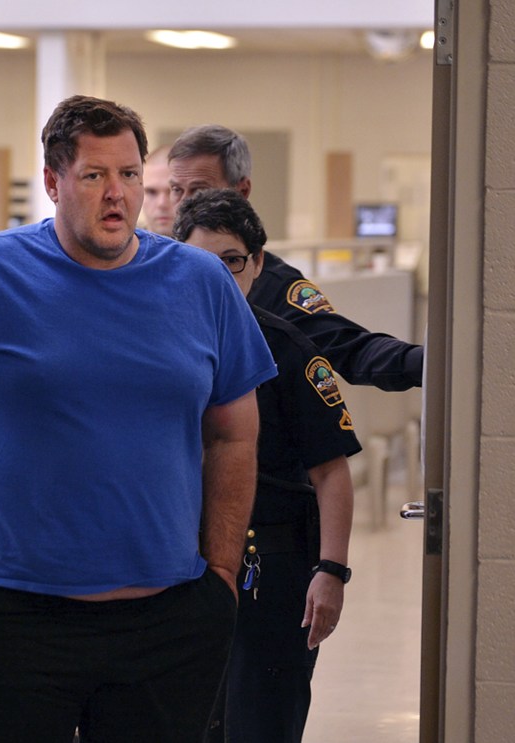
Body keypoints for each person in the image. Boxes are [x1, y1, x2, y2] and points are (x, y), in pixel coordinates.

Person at [0, 95, 277, 743]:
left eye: (129, 175)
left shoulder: (200, 282)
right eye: (93, 175)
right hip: (7, 618)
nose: (115, 195)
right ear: (52, 182)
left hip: (166, 621)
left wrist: (219, 576)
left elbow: (234, 433)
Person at [175, 189, 360, 743]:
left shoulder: (287, 349)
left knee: (260, 722)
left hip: (271, 568)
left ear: (257, 264)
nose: (218, 277)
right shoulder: (160, 343)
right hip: (179, 566)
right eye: (201, 262)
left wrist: (332, 572)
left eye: (232, 261)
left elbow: (332, 471)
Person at [161, 124, 423, 391]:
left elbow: (347, 346)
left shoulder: (271, 283)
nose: (183, 205)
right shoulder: (150, 267)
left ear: (241, 191)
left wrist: (425, 364)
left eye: (199, 190)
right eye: (176, 190)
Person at [140, 144, 175, 235]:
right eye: (151, 192)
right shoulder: (121, 248)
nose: (162, 204)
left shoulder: (211, 248)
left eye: (173, 191)